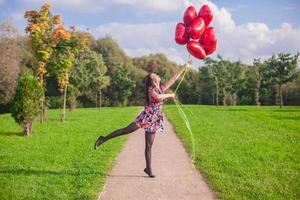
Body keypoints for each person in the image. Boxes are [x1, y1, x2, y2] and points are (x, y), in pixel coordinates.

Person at [94, 60, 192, 178]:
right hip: (146, 117)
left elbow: (174, 78)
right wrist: (170, 95)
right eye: (154, 76)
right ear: (152, 81)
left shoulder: (161, 87)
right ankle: (103, 138)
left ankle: (148, 169)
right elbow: (159, 97)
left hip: (155, 119)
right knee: (127, 130)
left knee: (149, 145)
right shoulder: (152, 90)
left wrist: (184, 67)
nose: (156, 75)